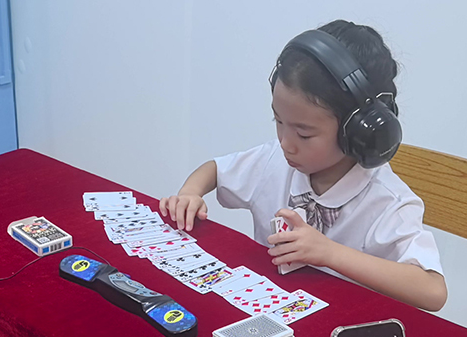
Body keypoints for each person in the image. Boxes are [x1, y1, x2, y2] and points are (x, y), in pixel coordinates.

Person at [159, 20, 447, 311]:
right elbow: (214, 170)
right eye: (278, 121)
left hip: (346, 323)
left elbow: (433, 291)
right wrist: (190, 193)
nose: (286, 143)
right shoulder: (274, 161)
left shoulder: (387, 202)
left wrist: (329, 253)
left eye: (304, 134)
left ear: (356, 132)